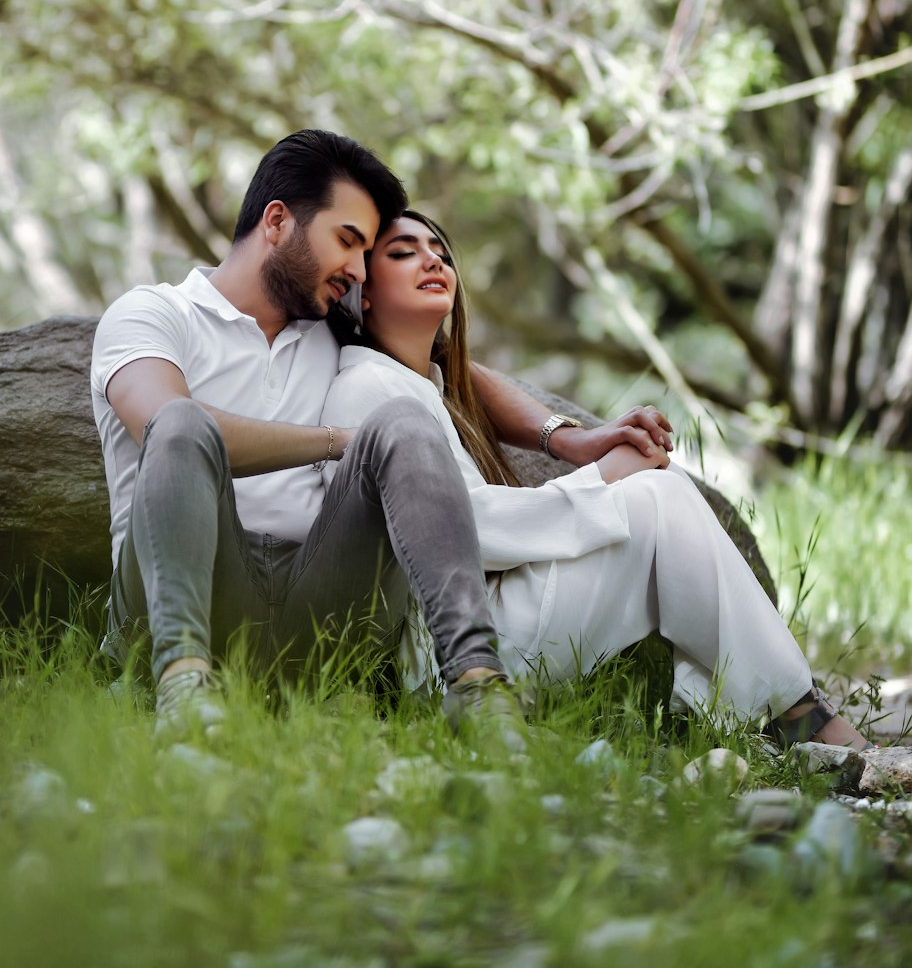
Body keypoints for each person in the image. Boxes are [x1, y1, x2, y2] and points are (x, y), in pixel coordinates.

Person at [320, 211, 870, 749]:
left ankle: (771, 712)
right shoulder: (367, 387)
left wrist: (593, 461)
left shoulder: (428, 386)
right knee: (658, 497)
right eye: (403, 253)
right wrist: (602, 477)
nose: (432, 261)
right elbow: (466, 530)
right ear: (363, 292)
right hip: (455, 654)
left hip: (497, 622)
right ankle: (796, 714)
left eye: (440, 252)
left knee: (661, 497)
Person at [92, 130, 524, 743]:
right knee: (185, 421)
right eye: (347, 241)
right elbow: (167, 425)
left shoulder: (330, 323)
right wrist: (336, 440)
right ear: (276, 222)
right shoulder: (152, 315)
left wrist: (564, 436)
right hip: (184, 600)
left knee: (405, 416)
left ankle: (478, 688)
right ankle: (183, 690)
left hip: (324, 607)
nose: (356, 270)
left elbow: (449, 359)